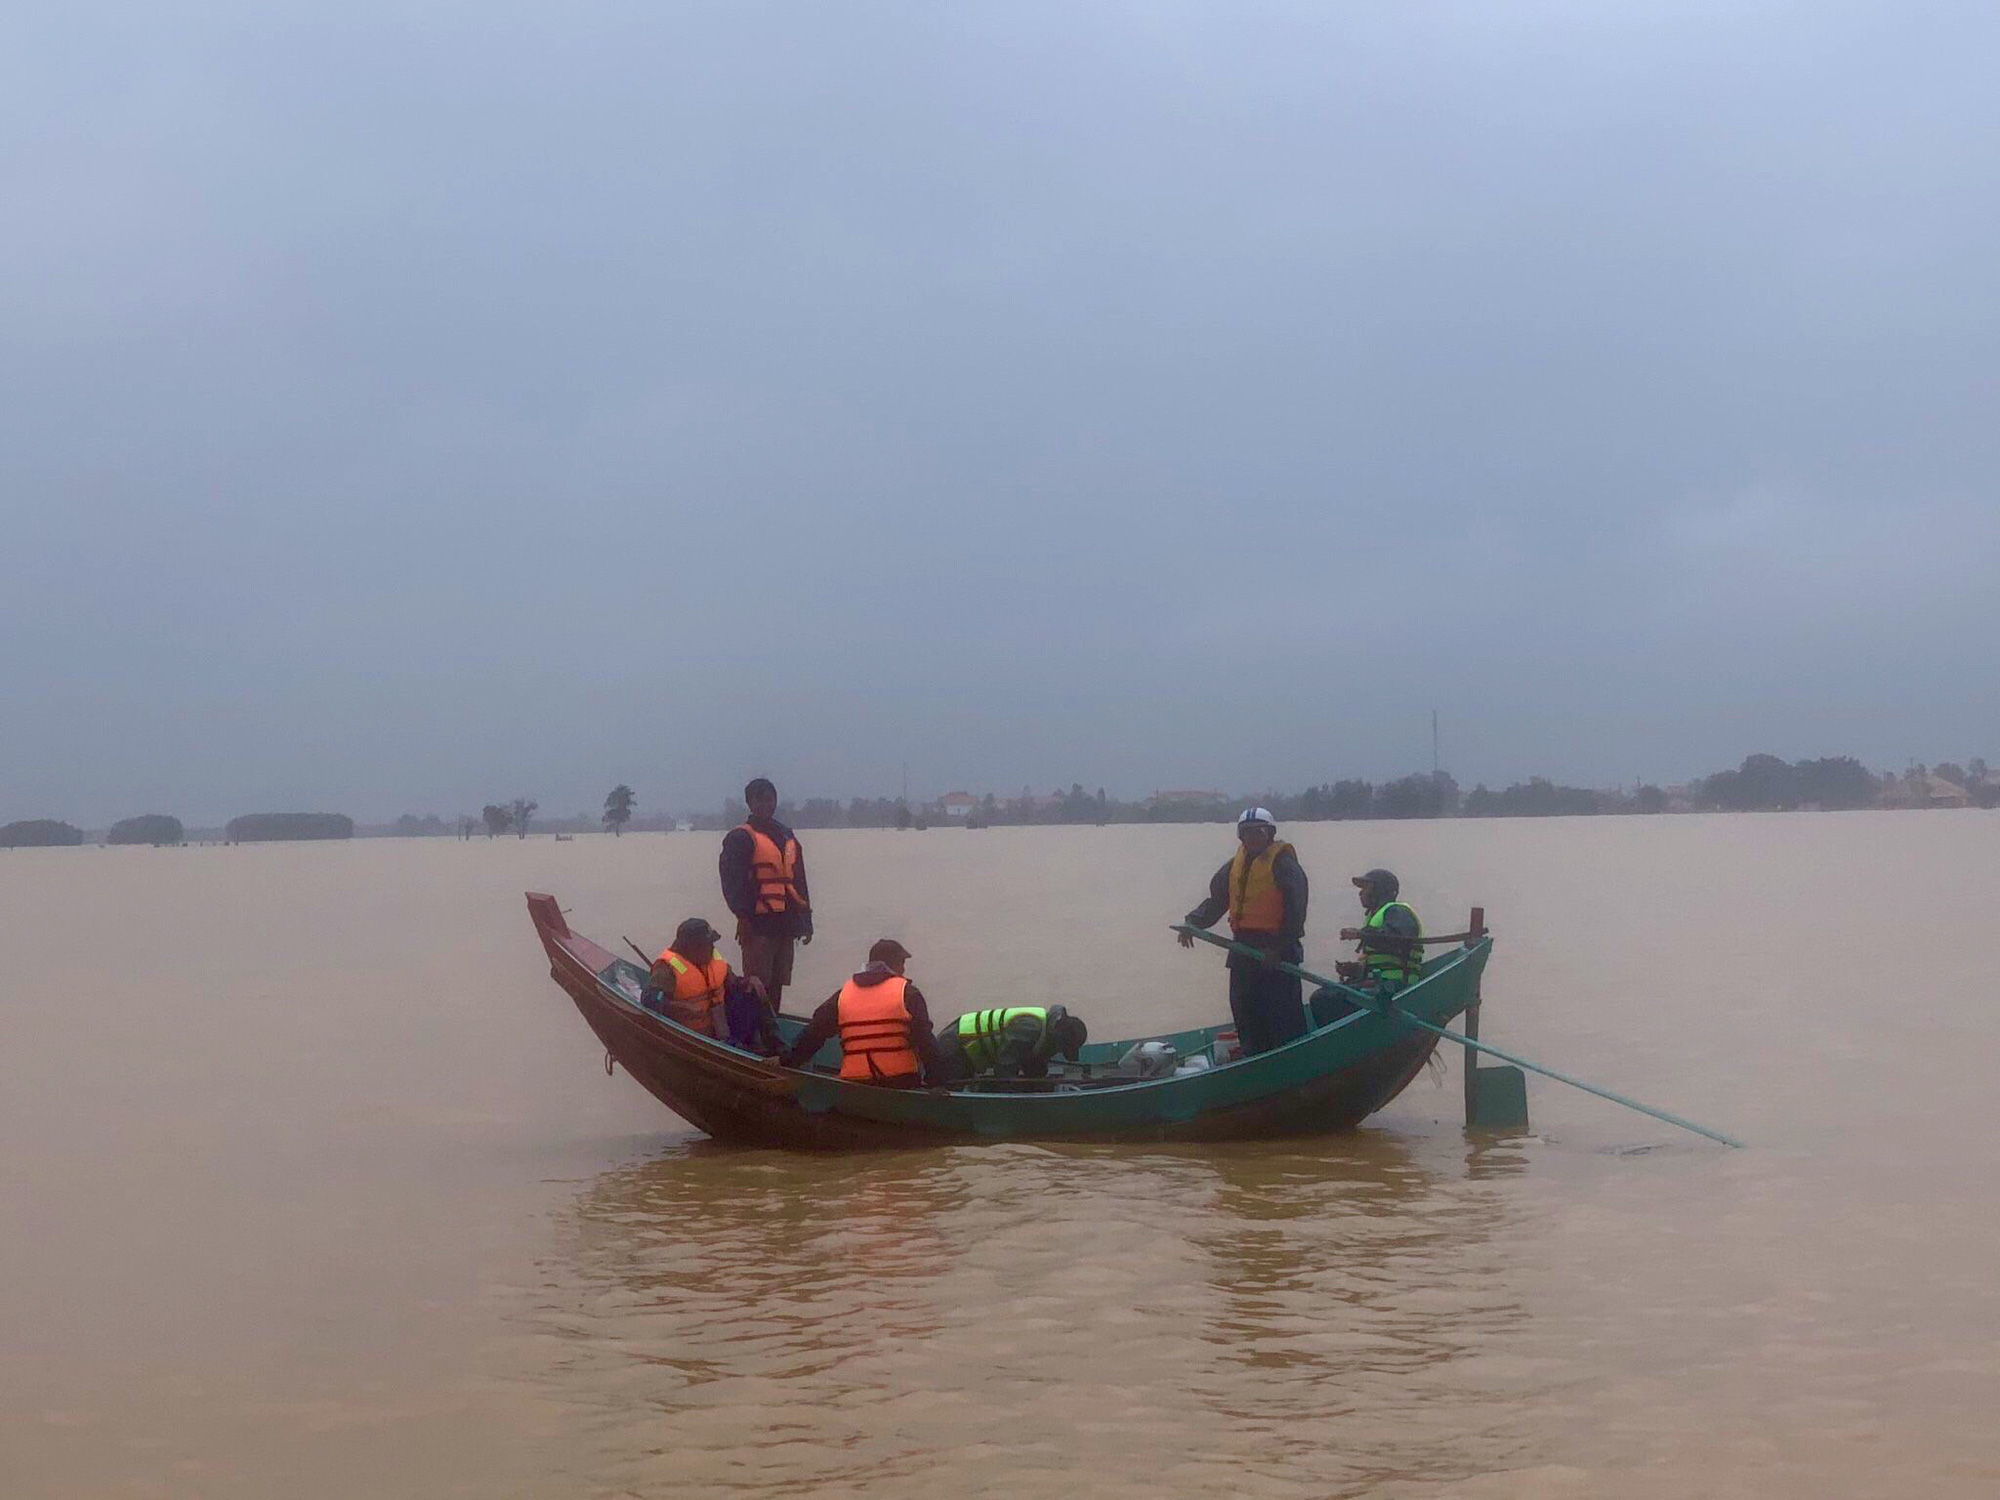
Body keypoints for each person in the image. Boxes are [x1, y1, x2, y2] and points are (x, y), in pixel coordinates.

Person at [1176, 807, 1309, 1055]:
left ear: (1270, 834)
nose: (1253, 838)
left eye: (1259, 832)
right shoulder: (1234, 867)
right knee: (1245, 1011)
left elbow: (1296, 911)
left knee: (1282, 1015)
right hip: (1243, 950)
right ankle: (1253, 1059)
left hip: (1278, 951)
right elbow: (1217, 901)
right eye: (1246, 833)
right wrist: (1192, 922)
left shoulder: (1284, 866)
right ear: (1240, 836)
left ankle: (1292, 1059)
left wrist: (1277, 948)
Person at [779, 938, 945, 1087]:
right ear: (894, 965)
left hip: (855, 1081)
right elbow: (925, 1041)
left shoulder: (843, 995)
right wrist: (936, 1081)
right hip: (900, 1082)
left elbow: (814, 1033)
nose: (903, 969)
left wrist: (786, 1061)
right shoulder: (908, 994)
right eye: (902, 963)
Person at [719, 777, 813, 1013]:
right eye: (759, 800)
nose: (765, 805)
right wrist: (742, 917)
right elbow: (732, 881)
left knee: (778, 982)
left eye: (770, 799)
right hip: (757, 925)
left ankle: (773, 1028)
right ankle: (755, 1035)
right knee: (756, 984)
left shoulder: (785, 836)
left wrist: (806, 921)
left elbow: (799, 881)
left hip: (786, 924)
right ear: (750, 804)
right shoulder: (740, 838)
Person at [642, 917, 779, 1051]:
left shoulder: (712, 957)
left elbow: (733, 982)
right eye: (708, 944)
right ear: (692, 947)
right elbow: (649, 1000)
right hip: (694, 1033)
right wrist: (677, 1007)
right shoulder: (667, 968)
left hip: (723, 1025)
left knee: (753, 992)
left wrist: (748, 982)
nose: (712, 948)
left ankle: (772, 1047)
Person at [936, 1005, 1089, 1082]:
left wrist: (1040, 1081)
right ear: (1058, 1038)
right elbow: (1004, 1069)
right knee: (952, 1086)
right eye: (1062, 1048)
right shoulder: (1029, 1029)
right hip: (956, 1047)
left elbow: (1033, 1063)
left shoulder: (1047, 1029)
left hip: (967, 1051)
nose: (1059, 1052)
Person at [1336, 868, 1425, 993]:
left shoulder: (1398, 911)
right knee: (1327, 994)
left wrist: (1360, 934)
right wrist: (1355, 969)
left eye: (1365, 888)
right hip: (1379, 984)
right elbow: (1384, 959)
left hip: (1394, 986)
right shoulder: (1377, 916)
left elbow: (1396, 940)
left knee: (1325, 998)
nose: (1360, 893)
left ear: (1379, 891)